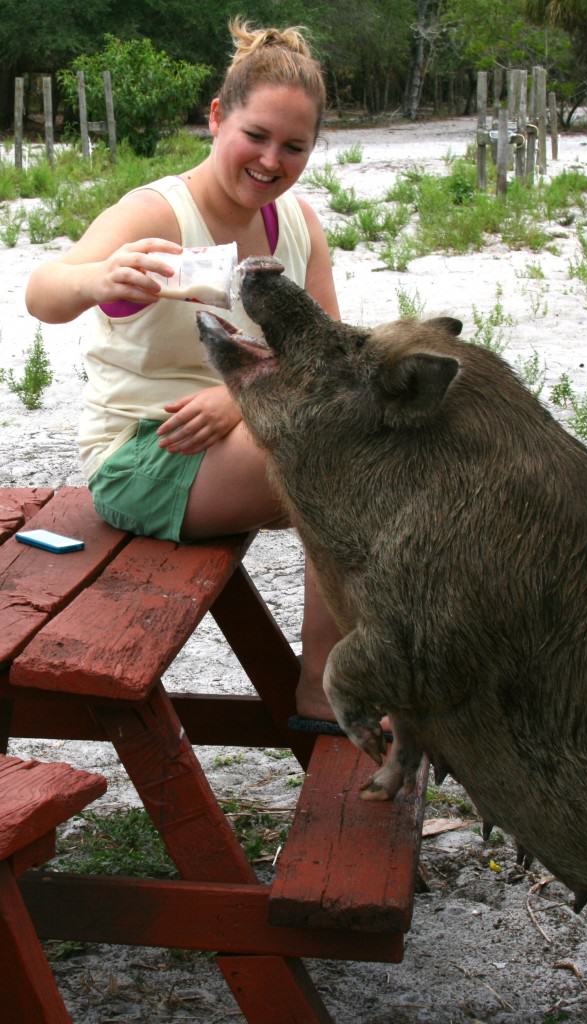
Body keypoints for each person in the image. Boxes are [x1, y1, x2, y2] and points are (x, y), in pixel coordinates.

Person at [25, 19, 342, 724]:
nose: (270, 161)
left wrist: (239, 400)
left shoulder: (297, 223)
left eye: (293, 146)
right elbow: (42, 292)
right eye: (255, 136)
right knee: (329, 449)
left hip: (241, 435)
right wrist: (100, 277)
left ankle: (348, 678)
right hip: (143, 453)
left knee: (358, 442)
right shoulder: (157, 212)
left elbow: (323, 352)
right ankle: (323, 689)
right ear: (216, 117)